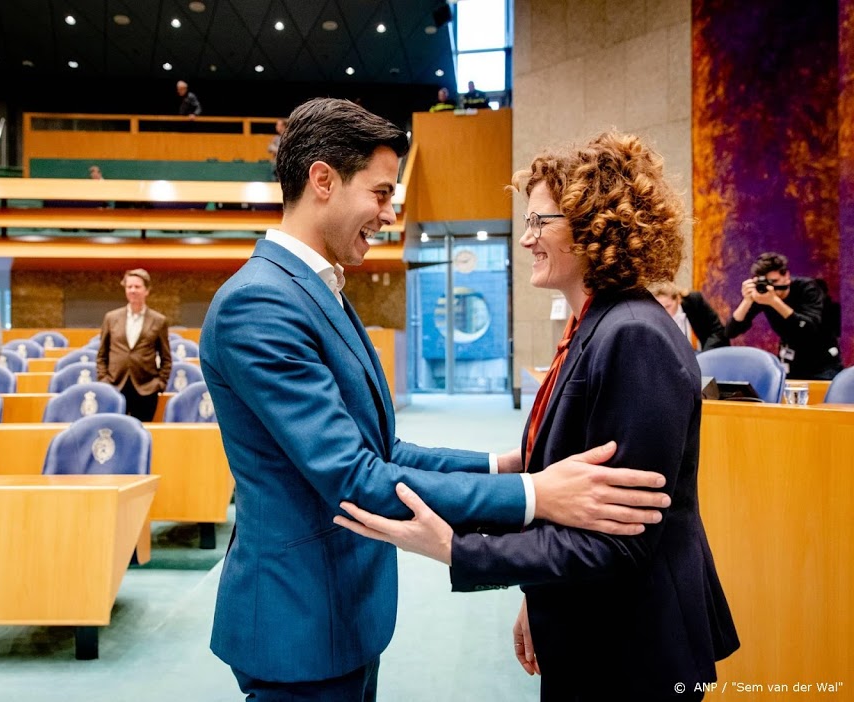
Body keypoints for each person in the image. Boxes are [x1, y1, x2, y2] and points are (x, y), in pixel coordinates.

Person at [200, 100, 672, 701]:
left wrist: (497, 466)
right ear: (323, 181)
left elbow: (383, 446)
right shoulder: (260, 304)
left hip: (340, 607)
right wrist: (534, 496)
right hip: (298, 616)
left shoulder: (316, 291)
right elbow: (353, 474)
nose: (388, 214)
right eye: (379, 193)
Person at [336, 131, 740, 701]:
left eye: (539, 222)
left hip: (636, 648)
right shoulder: (596, 325)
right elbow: (575, 504)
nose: (526, 238)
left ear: (593, 225)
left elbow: (621, 541)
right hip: (593, 622)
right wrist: (538, 590)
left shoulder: (633, 338)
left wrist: (456, 548)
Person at [724, 251, 843, 379]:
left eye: (774, 281)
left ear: (786, 276)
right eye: (766, 283)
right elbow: (731, 331)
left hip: (822, 362)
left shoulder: (808, 289)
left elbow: (808, 327)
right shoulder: (763, 293)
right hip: (790, 362)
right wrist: (747, 300)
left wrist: (774, 302)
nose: (771, 288)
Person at [95, 269, 172, 421]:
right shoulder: (111, 318)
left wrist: (160, 383)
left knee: (142, 432)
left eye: (137, 287)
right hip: (115, 386)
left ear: (147, 290)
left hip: (146, 388)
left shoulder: (159, 320)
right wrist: (104, 380)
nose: (132, 290)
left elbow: (166, 358)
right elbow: (102, 354)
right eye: (129, 287)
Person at [649, 280, 730, 350]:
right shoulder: (651, 315)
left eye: (668, 306)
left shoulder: (694, 302)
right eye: (660, 307)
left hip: (702, 354)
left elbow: (717, 330)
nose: (665, 312)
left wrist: (704, 356)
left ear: (679, 299)